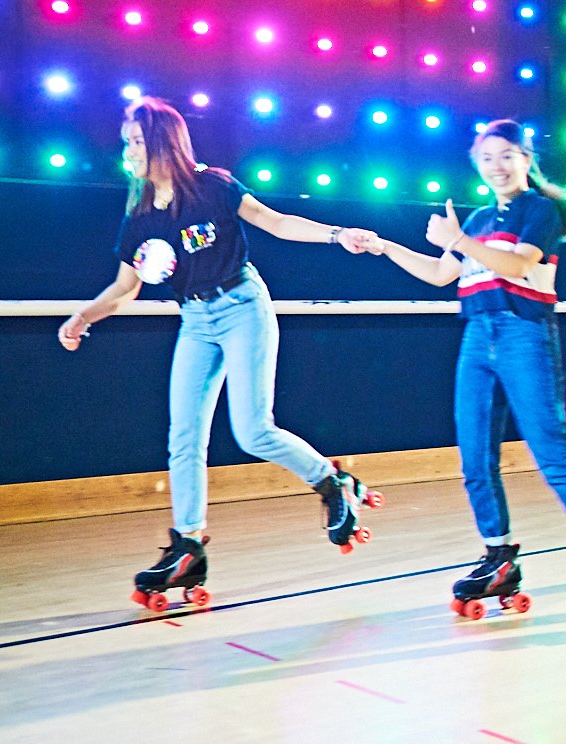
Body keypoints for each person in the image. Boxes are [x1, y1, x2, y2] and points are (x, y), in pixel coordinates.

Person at [57, 96, 380, 607]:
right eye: (126, 143)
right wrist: (84, 316)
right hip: (195, 319)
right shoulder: (140, 213)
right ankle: (189, 546)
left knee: (252, 429)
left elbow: (275, 222)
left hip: (242, 305)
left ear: (164, 142)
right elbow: (126, 286)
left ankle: (332, 482)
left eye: (137, 142)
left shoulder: (213, 186)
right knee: (183, 436)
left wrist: (339, 235)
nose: (129, 152)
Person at [359, 120, 566, 625]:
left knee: (553, 455)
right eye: (487, 157)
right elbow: (441, 274)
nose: (497, 166)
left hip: (523, 334)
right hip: (476, 338)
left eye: (507, 155)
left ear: (526, 159)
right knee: (474, 459)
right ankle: (499, 558)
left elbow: (516, 266)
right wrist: (384, 247)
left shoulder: (541, 211)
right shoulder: (481, 218)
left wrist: (460, 240)